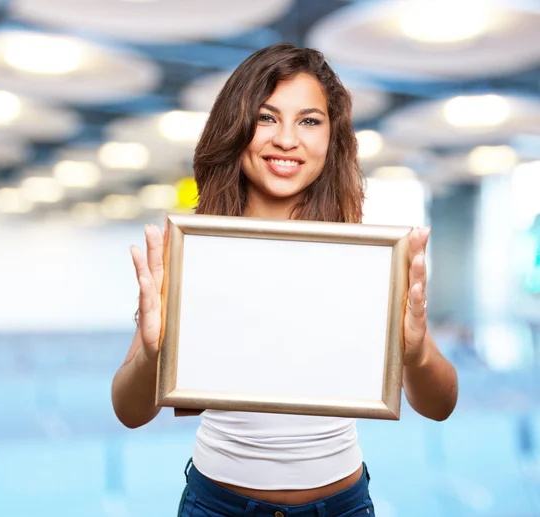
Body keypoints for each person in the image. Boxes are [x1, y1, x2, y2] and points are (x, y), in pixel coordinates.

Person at [111, 43, 459, 517]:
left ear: (332, 138)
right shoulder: (193, 251)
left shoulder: (368, 258)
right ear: (236, 128)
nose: (287, 139)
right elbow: (130, 412)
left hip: (342, 505)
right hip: (218, 505)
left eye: (310, 121)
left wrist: (415, 354)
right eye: (267, 117)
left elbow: (439, 405)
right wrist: (153, 355)